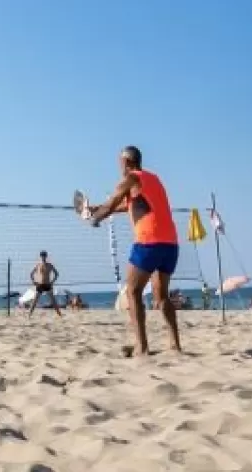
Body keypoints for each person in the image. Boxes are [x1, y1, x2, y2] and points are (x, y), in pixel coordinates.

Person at [87, 145, 183, 357]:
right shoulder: (153, 179)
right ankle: (175, 344)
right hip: (170, 244)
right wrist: (97, 208)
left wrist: (95, 218)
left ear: (127, 162)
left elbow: (113, 202)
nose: (118, 166)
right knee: (161, 296)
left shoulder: (130, 178)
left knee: (132, 291)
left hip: (149, 242)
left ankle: (142, 346)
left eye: (120, 162)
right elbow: (131, 205)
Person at [27, 250, 63, 317]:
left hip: (47, 284)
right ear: (40, 256)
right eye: (42, 256)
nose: (43, 257)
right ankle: (29, 315)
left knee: (53, 301)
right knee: (35, 301)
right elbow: (31, 274)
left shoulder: (50, 265)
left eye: (44, 255)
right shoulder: (38, 265)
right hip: (40, 284)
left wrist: (52, 282)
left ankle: (60, 315)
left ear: (46, 256)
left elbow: (56, 274)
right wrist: (34, 281)